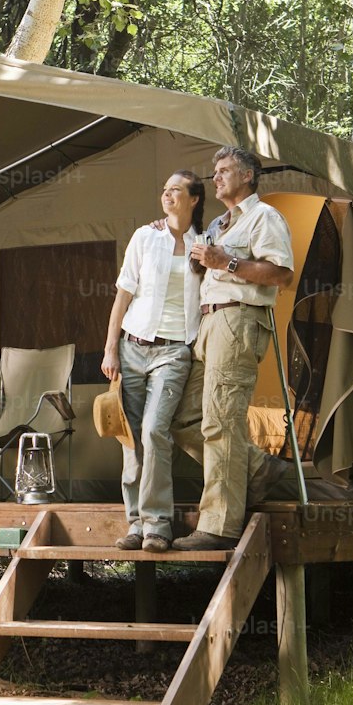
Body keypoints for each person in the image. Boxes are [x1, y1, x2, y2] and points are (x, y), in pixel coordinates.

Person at [170, 147, 293, 551]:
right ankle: (258, 468)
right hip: (208, 323)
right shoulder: (219, 224)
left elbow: (282, 275)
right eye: (215, 171)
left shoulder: (265, 217)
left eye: (224, 171)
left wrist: (228, 263)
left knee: (221, 421)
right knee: (183, 415)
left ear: (248, 176)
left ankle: (219, 526)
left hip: (238, 319)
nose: (216, 177)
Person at [101, 171, 205, 553]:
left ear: (194, 199)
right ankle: (135, 524)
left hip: (175, 351)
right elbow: (122, 296)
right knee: (130, 438)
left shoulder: (205, 243)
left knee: (154, 431)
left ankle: (158, 526)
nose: (166, 196)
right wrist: (111, 348)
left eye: (175, 190)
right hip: (132, 347)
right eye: (163, 190)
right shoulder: (146, 237)